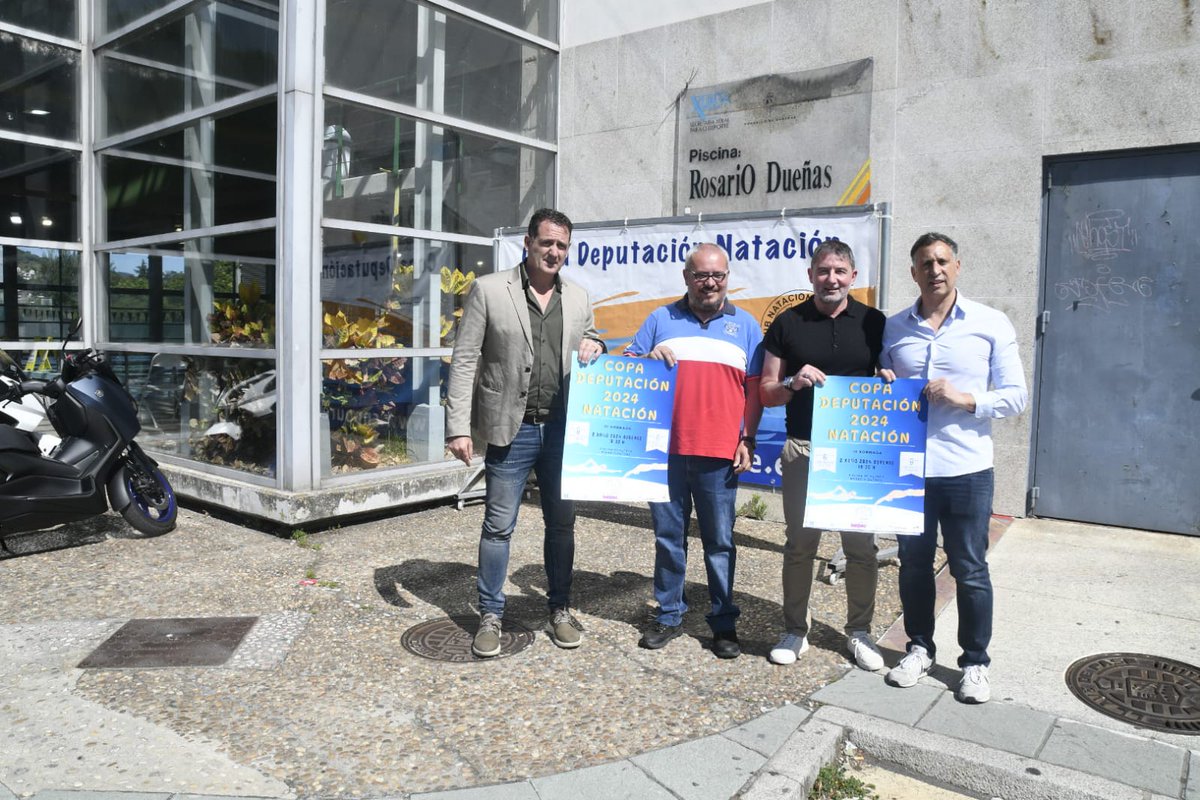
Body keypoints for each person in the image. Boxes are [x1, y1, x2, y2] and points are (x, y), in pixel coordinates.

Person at [445, 208, 605, 658]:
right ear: (528, 243)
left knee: (561, 525)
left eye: (562, 245)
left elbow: (592, 338)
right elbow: (464, 360)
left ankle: (559, 609)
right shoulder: (490, 289)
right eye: (547, 243)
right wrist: (458, 426)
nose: (554, 252)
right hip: (509, 430)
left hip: (562, 431)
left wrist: (598, 344)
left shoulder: (578, 295)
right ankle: (491, 615)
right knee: (498, 527)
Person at [880, 232, 1027, 703]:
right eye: (926, 263)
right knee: (915, 566)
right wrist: (883, 382)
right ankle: (919, 648)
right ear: (913, 272)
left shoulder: (990, 322)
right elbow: (882, 381)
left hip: (966, 469)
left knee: (969, 568)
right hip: (909, 469)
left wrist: (966, 399)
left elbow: (1016, 396)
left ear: (957, 267)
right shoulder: (894, 327)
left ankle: (975, 663)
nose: (935, 269)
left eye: (943, 261)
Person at [624, 243, 763, 659]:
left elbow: (754, 392)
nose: (710, 283)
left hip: (720, 454)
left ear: (727, 278)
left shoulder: (748, 326)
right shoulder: (660, 318)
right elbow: (628, 367)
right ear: (687, 277)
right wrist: (647, 358)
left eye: (718, 275)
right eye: (701, 275)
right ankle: (669, 614)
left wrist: (748, 438)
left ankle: (723, 623)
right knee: (669, 538)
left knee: (720, 542)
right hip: (664, 452)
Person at [758, 240, 887, 670]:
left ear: (853, 276)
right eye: (823, 270)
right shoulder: (787, 323)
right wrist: (793, 381)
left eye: (840, 271)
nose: (831, 278)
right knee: (800, 545)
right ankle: (795, 630)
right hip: (804, 448)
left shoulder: (875, 322)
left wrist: (889, 377)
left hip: (856, 449)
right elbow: (767, 392)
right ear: (810, 275)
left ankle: (860, 632)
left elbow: (891, 375)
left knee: (862, 549)